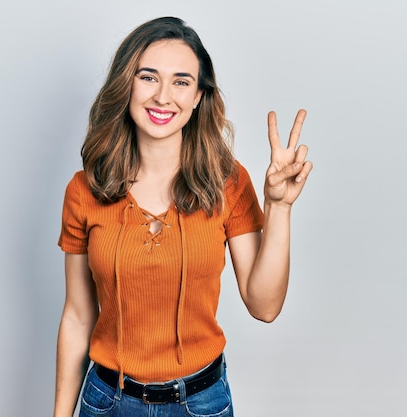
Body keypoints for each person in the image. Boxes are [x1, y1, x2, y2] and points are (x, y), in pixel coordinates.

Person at [54, 16, 313, 417]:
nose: (163, 96)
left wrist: (279, 207)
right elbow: (77, 314)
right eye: (148, 77)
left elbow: (264, 306)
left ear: (197, 97)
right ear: (127, 85)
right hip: (106, 402)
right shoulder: (85, 190)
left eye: (181, 81)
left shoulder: (227, 182)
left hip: (201, 403)